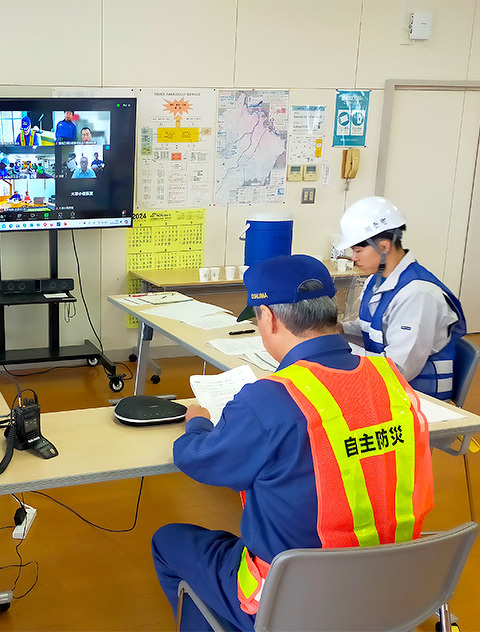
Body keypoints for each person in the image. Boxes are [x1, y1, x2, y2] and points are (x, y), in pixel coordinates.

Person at [152, 254, 433, 631]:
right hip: (391, 587)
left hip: (295, 601)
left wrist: (197, 423)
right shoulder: (390, 379)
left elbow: (201, 461)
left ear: (267, 317)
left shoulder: (270, 399)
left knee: (169, 541)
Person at [337, 196, 466, 400]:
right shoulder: (377, 280)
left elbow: (397, 370)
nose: (353, 258)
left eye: (358, 250)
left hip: (420, 403)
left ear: (384, 247)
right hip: (387, 392)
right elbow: (375, 330)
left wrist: (336, 353)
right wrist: (340, 330)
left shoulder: (418, 295)